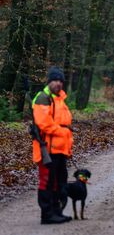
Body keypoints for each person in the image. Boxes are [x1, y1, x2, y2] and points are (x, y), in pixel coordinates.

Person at [32, 66, 73, 224]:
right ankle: (47, 214)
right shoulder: (43, 98)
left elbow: (65, 123)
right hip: (47, 150)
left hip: (60, 149)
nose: (58, 83)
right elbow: (44, 124)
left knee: (59, 181)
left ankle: (57, 211)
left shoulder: (60, 100)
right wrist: (63, 133)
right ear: (49, 82)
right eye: (55, 80)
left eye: (60, 81)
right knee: (47, 181)